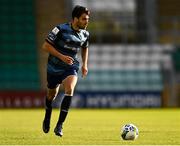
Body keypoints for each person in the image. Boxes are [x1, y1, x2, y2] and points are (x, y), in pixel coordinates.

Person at [42, 5, 90, 137]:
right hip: (54, 67)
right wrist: (62, 56)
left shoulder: (85, 34)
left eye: (87, 19)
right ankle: (47, 116)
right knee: (51, 95)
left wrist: (84, 64)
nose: (87, 22)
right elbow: (45, 46)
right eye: (84, 19)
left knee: (69, 89)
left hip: (70, 67)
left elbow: (85, 47)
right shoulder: (60, 29)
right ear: (75, 19)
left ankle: (59, 125)